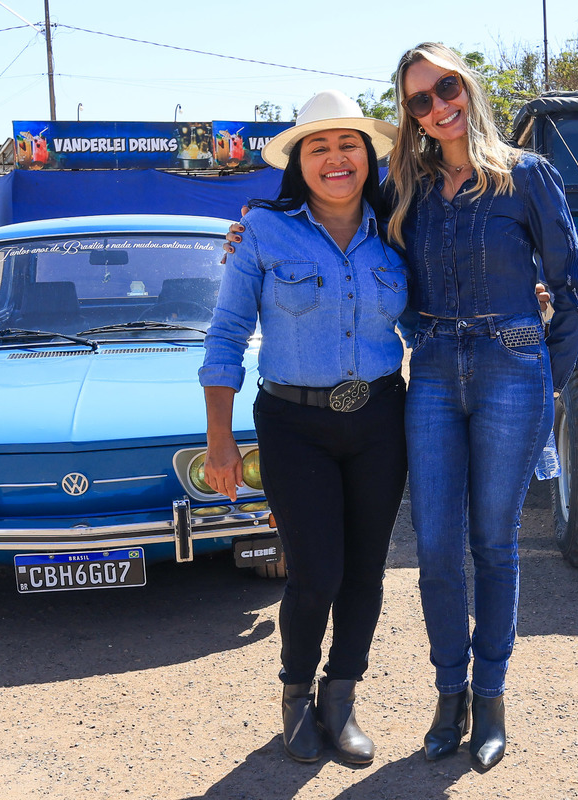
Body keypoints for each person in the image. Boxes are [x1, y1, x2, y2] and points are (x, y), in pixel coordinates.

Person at [388, 42, 578, 770]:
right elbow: (346, 229)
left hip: (513, 369)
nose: (439, 105)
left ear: (468, 87)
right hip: (434, 371)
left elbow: (576, 289)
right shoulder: (408, 189)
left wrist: (545, 373)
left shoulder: (526, 175)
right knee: (435, 546)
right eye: (420, 100)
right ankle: (449, 695)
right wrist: (257, 221)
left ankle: (492, 697)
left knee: (493, 543)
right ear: (412, 117)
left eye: (446, 87)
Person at [199, 90, 407, 766]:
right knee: (317, 573)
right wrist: (220, 439)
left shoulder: (398, 230)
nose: (335, 158)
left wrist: (527, 298)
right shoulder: (262, 231)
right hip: (294, 424)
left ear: (368, 157)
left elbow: (436, 313)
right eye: (319, 147)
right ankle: (295, 696)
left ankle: (340, 697)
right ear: (299, 162)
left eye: (348, 144)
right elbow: (227, 333)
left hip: (380, 420)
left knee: (365, 573)